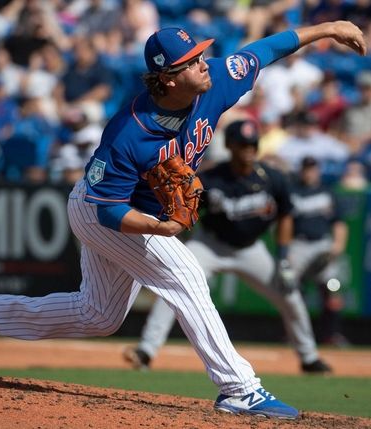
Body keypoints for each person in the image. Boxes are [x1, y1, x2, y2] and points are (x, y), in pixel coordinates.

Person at [0, 22, 366, 420]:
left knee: (98, 315)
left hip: (130, 211)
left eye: (200, 54)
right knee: (188, 276)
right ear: (170, 79)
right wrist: (165, 229)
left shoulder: (214, 82)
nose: (204, 63)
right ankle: (239, 389)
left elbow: (265, 49)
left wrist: (328, 28)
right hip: (107, 213)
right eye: (192, 62)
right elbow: (109, 209)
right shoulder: (129, 133)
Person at [123, 119, 332, 375]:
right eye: (242, 144)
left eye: (252, 144)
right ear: (230, 146)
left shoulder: (273, 178)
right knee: (176, 287)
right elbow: (188, 212)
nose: (248, 149)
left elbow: (285, 216)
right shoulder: (211, 178)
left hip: (251, 249)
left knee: (290, 295)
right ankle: (146, 350)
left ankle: (309, 357)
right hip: (211, 246)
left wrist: (285, 259)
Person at [288, 156, 350, 346]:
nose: (309, 172)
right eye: (306, 168)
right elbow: (286, 222)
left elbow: (339, 223)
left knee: (332, 288)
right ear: (302, 170)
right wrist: (287, 249)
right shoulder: (293, 191)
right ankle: (294, 335)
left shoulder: (327, 192)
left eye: (313, 168)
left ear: (318, 170)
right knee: (292, 290)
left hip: (322, 244)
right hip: (299, 245)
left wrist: (338, 245)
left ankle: (331, 334)